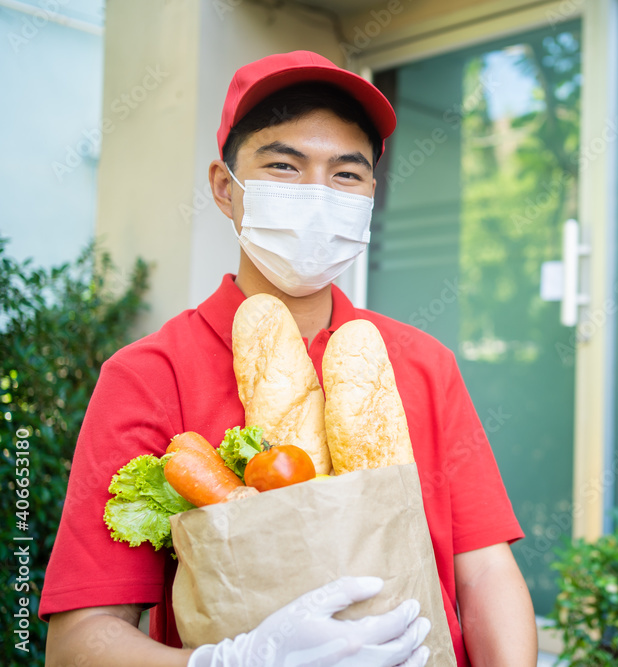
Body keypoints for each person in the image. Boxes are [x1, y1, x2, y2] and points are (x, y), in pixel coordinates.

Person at [41, 50, 538, 666]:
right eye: (283, 166)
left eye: (345, 175)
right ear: (226, 189)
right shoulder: (149, 375)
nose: (317, 194)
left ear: (371, 197)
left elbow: (485, 573)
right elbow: (78, 643)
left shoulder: (422, 363)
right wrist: (231, 663)